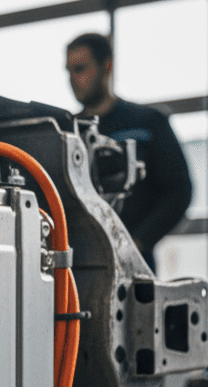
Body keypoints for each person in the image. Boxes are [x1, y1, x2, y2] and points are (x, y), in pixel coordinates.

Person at [65, 32, 192, 256]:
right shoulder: (67, 132)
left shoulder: (148, 123)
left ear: (107, 66)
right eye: (69, 71)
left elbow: (178, 191)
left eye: (80, 69)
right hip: (79, 262)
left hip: (135, 264)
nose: (73, 79)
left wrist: (138, 242)